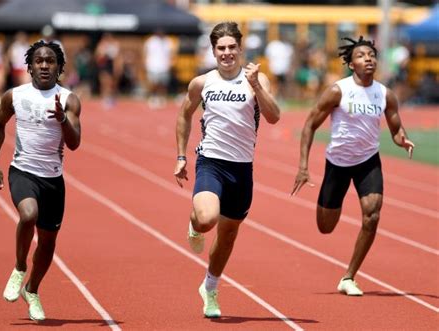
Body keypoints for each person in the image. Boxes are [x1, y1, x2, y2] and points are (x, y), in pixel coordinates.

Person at [291, 36, 414, 296]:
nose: (368, 59)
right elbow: (310, 124)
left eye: (371, 55)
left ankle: (349, 277)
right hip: (338, 162)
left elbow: (395, 128)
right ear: (351, 64)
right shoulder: (338, 90)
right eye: (361, 56)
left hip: (368, 161)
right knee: (325, 227)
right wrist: (303, 166)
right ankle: (333, 201)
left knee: (373, 214)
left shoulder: (385, 94)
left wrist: (402, 140)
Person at [174, 22, 280, 318]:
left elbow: (274, 117)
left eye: (232, 47)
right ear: (213, 51)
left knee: (229, 233)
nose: (227, 53)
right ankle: (195, 224)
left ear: (240, 49)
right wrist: (181, 155)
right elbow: (184, 116)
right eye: (221, 48)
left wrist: (257, 85)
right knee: (207, 218)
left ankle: (210, 286)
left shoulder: (257, 81)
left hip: (242, 168)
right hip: (211, 162)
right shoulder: (202, 82)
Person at [0, 40, 82, 321]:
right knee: (28, 215)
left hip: (53, 179)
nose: (44, 65)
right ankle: (18, 268)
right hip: (23, 171)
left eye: (50, 61)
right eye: (39, 61)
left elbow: (75, 143)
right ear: (29, 66)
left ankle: (33, 289)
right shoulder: (14, 96)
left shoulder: (69, 100)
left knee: (48, 243)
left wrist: (63, 119)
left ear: (59, 67)